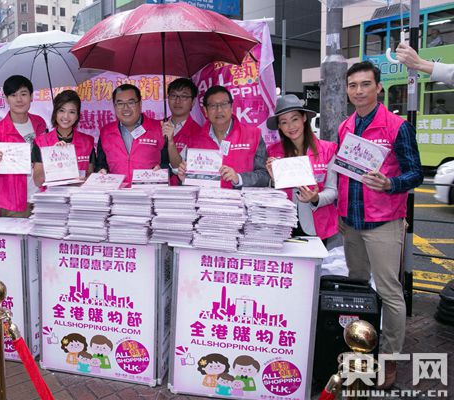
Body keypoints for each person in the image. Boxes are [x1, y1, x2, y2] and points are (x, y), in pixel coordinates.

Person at [338, 61, 423, 389]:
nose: (358, 91)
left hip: (384, 221)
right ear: (347, 90)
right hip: (351, 221)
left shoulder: (397, 127)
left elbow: (416, 172)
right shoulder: (346, 127)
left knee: (389, 292)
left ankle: (389, 358)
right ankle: (360, 346)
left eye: (365, 84)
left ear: (378, 88)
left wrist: (390, 184)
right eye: (353, 85)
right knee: (358, 288)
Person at [266, 94, 338, 242]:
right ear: (279, 126)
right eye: (284, 122)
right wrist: (273, 181)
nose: (291, 126)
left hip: (316, 225)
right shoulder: (273, 152)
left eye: (295, 119)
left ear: (304, 118)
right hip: (282, 224)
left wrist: (316, 198)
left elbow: (333, 190)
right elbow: (268, 196)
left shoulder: (327, 150)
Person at [178, 85, 270, 188]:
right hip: (207, 198)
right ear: (205, 111)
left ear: (231, 107)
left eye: (224, 104)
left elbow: (265, 176)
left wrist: (238, 178)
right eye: (213, 106)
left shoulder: (253, 135)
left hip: (241, 198)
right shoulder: (194, 140)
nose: (219, 110)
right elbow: (189, 182)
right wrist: (185, 179)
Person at [0, 75, 47, 217]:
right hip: (14, 205)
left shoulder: (40, 124)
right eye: (13, 95)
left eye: (23, 94)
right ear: (6, 99)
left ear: (31, 96)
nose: (19, 100)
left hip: (43, 199)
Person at [95, 84, 168, 185]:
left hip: (149, 190)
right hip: (117, 191)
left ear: (140, 104)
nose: (126, 108)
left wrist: (162, 170)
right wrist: (101, 170)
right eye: (120, 103)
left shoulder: (158, 128)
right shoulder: (106, 132)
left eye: (131, 102)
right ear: (114, 106)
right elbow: (101, 163)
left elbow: (169, 163)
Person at [32, 90, 95, 188]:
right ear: (55, 113)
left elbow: (90, 176)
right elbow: (38, 181)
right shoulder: (41, 142)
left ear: (77, 116)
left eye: (72, 112)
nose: (66, 116)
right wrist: (51, 157)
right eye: (61, 110)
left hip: (78, 195)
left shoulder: (87, 142)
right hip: (51, 196)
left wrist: (84, 180)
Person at [161, 78, 202, 185]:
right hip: (153, 187)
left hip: (181, 191)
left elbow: (179, 168)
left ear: (193, 102)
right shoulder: (157, 126)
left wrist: (170, 141)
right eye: (173, 95)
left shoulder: (199, 133)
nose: (178, 101)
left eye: (184, 96)